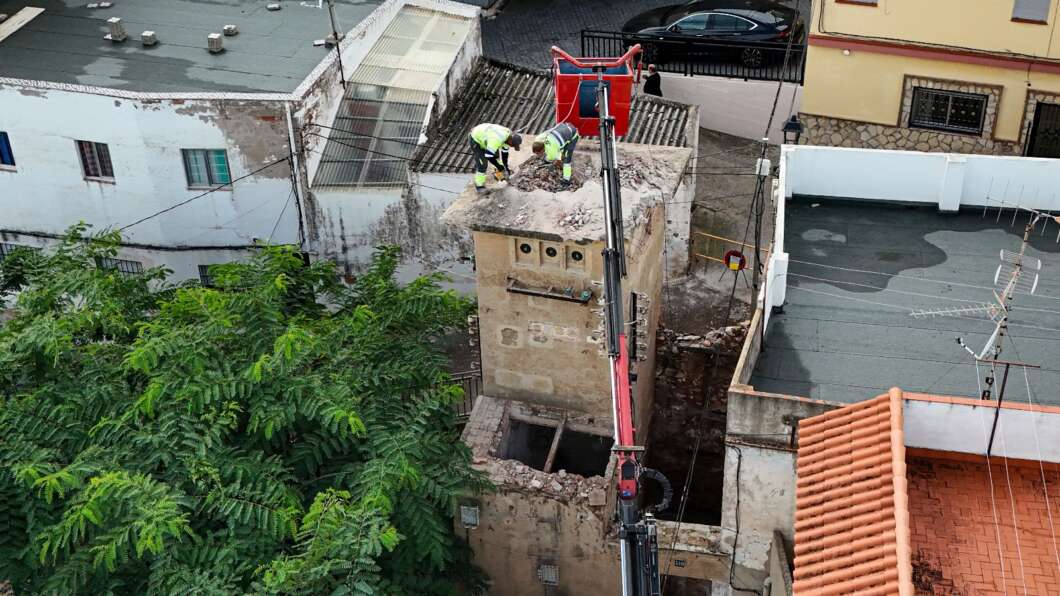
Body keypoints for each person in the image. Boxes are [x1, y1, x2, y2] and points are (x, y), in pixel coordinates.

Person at [469, 123, 522, 192]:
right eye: (513, 145)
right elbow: (489, 156)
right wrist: (501, 168)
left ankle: (498, 175)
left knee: (497, 159)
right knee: (483, 164)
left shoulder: (508, 137)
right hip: (476, 140)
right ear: (510, 141)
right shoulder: (496, 139)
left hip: (488, 137)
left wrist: (506, 168)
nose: (512, 146)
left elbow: (504, 154)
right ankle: (479, 186)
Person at [531, 122, 579, 188]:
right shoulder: (538, 139)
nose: (537, 155)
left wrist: (547, 160)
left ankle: (566, 180)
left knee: (566, 159)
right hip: (563, 127)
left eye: (538, 153)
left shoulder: (552, 152)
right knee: (560, 150)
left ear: (542, 150)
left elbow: (557, 158)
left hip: (572, 135)